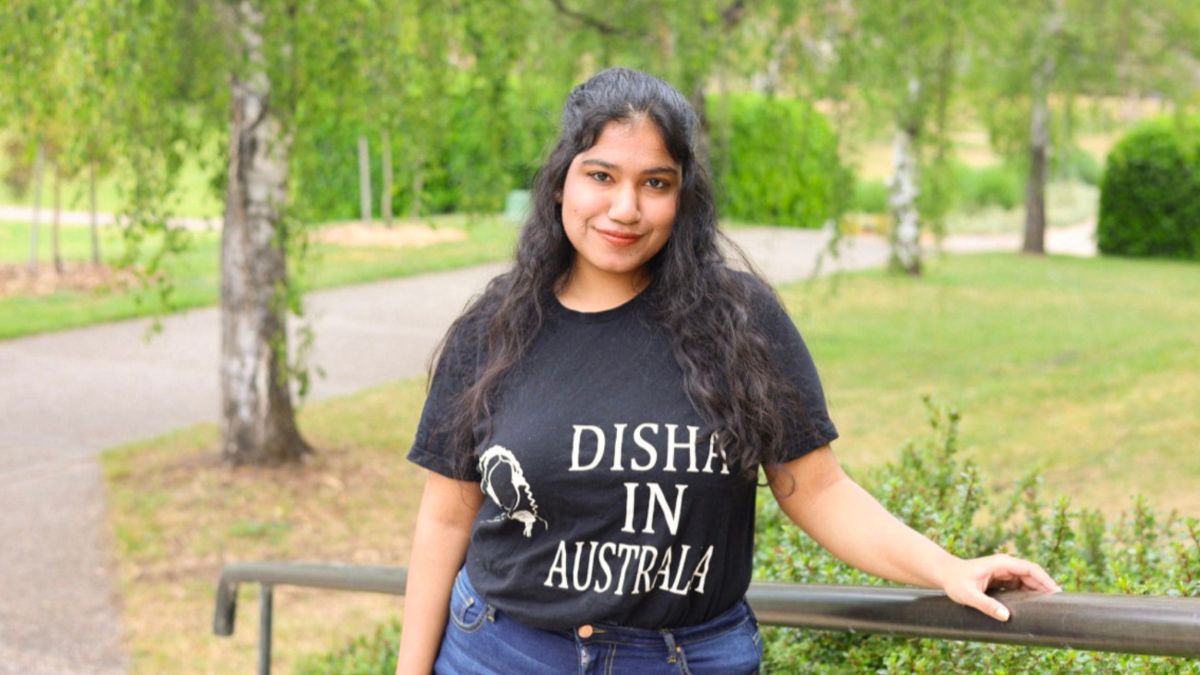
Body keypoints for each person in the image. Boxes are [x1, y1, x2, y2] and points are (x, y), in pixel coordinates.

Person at [394, 67, 1060, 675]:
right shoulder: (495, 327)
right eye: (601, 175)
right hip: (506, 652)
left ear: (683, 196)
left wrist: (949, 568)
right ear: (561, 179)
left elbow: (817, 488)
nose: (626, 207)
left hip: (687, 659)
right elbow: (447, 519)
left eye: (655, 182)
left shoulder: (740, 319)